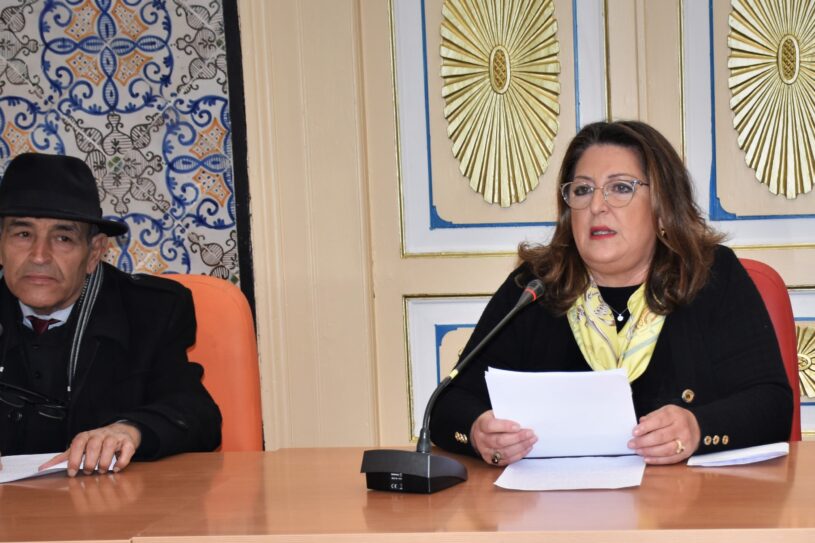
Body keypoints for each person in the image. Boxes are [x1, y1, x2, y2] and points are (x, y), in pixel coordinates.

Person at [430, 120, 793, 466]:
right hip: (559, 506)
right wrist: (478, 432)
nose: (596, 206)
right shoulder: (535, 288)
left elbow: (772, 405)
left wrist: (698, 428)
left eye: (620, 188)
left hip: (686, 503)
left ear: (662, 206)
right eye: (582, 190)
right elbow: (447, 404)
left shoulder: (710, 277)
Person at [0, 152, 221, 475]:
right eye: (23, 234)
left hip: (110, 501)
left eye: (63, 238)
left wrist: (131, 429)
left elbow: (198, 416)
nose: (39, 256)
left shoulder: (150, 312)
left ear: (95, 252)